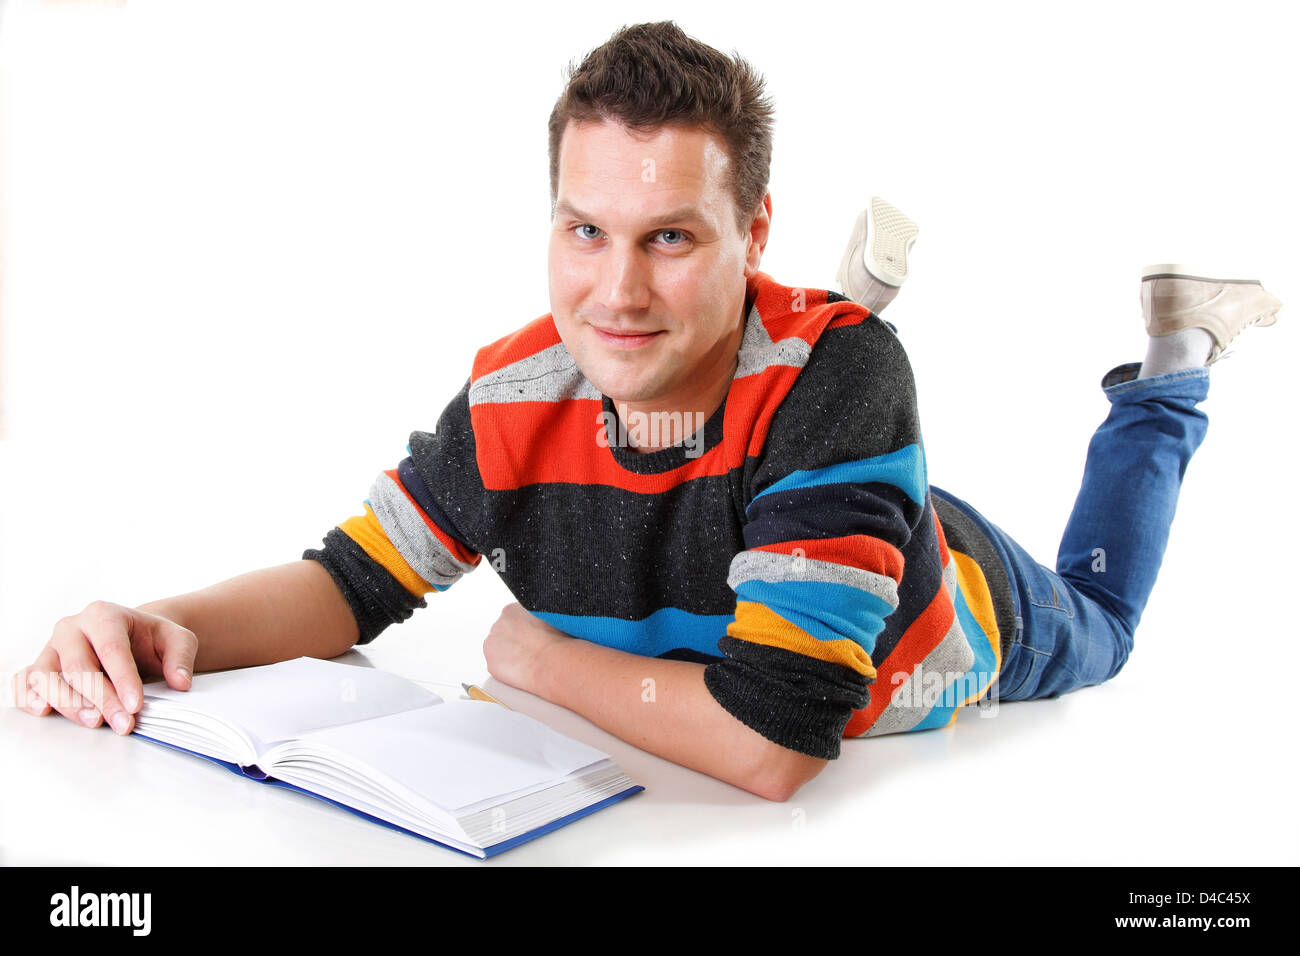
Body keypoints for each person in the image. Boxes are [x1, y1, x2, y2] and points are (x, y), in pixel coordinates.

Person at [13, 21, 1282, 802]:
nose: (610, 292)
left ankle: (1175, 362)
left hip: (947, 605)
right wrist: (148, 618)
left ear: (750, 227)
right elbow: (350, 582)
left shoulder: (850, 386)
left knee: (1109, 624)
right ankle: (788, 368)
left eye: (671, 236)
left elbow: (770, 747)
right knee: (788, 412)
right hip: (803, 509)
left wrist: (535, 656)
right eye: (585, 231)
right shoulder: (518, 384)